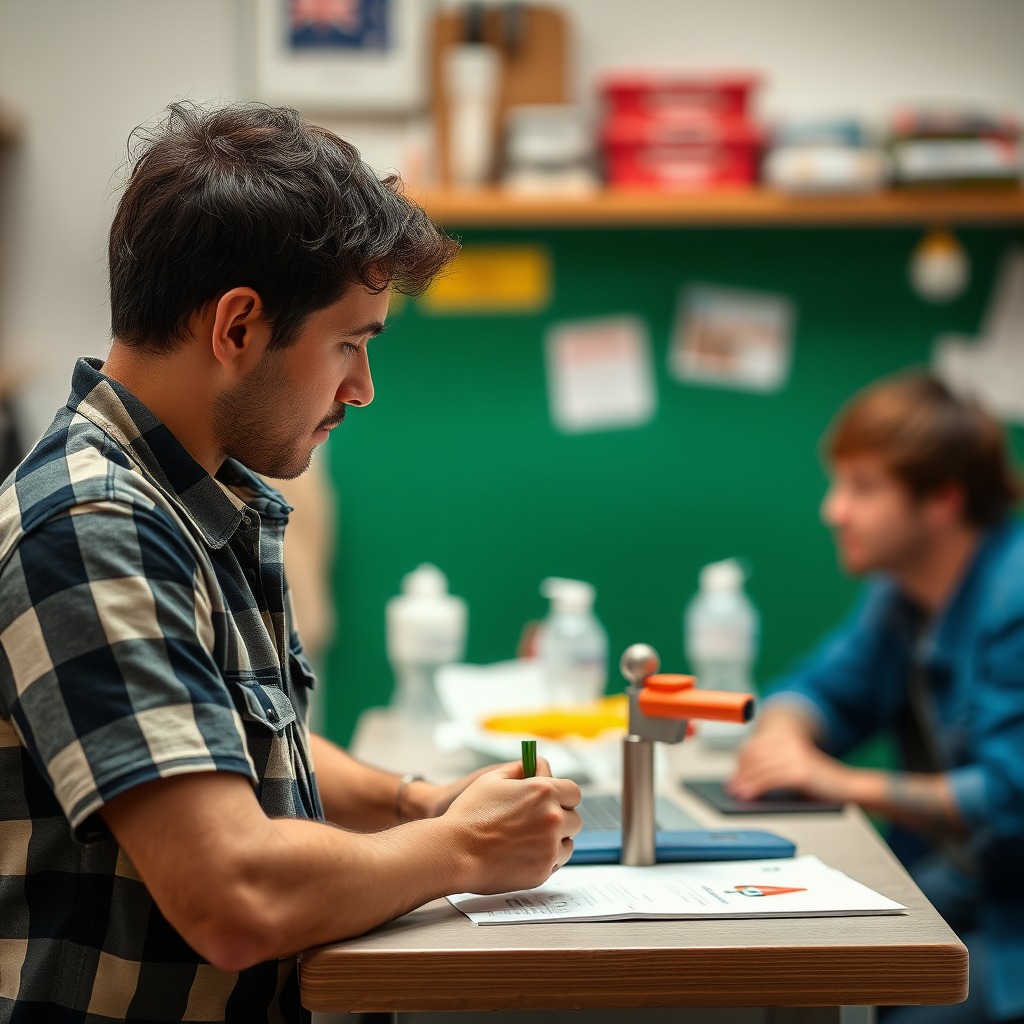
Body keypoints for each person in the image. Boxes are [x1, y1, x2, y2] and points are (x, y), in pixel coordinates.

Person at [0, 102, 581, 1024]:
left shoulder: (189, 494)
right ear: (237, 327)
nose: (362, 388)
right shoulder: (94, 524)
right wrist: (462, 849)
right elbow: (233, 897)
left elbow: (218, 739)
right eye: (350, 343)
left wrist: (417, 802)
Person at [730, 373, 1024, 1024]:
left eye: (863, 488)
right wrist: (784, 734)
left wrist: (832, 778)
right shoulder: (901, 594)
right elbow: (817, 687)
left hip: (1007, 935)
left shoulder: (1016, 598)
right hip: (955, 892)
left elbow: (1010, 800)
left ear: (942, 500)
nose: (834, 510)